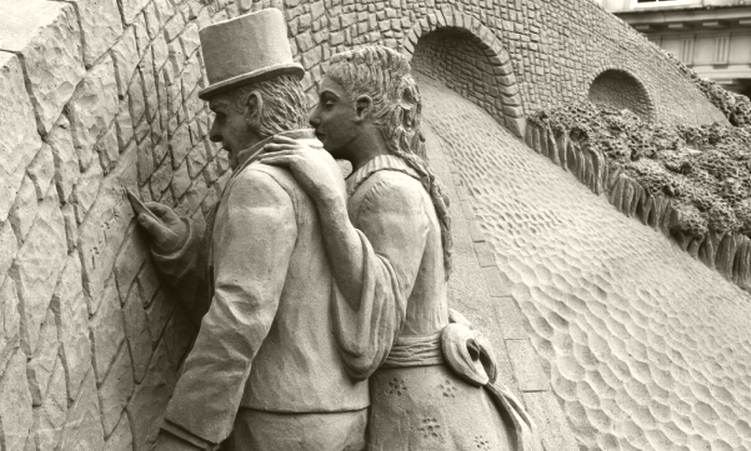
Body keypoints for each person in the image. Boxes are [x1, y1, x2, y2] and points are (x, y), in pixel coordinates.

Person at [260, 45, 535, 450]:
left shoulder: (388, 190)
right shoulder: (374, 182)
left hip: (418, 402)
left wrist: (329, 200)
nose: (314, 116)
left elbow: (379, 316)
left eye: (328, 103)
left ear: (362, 109)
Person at [136, 10, 371, 451]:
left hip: (282, 421)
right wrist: (184, 249)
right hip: (339, 413)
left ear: (253, 108)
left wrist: (185, 432)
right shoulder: (320, 163)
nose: (214, 133)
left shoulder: (262, 182)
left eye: (221, 115)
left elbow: (239, 316)